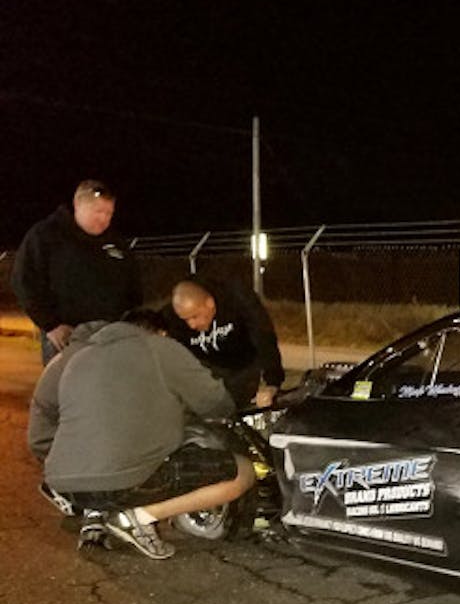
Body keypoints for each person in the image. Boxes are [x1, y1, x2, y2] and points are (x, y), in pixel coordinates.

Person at [28, 308, 255, 560]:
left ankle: (98, 513)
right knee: (243, 472)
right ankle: (138, 518)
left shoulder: (78, 359)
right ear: (161, 332)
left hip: (67, 487)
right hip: (120, 483)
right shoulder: (159, 349)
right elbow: (216, 403)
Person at [10, 180, 142, 364]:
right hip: (65, 338)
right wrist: (51, 325)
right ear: (78, 205)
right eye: (98, 212)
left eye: (109, 213)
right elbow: (24, 281)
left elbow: (134, 288)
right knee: (64, 389)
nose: (104, 219)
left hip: (109, 337)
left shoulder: (116, 244)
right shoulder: (46, 235)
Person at [166, 277, 285, 408]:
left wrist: (272, 382)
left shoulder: (237, 299)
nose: (191, 325)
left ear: (209, 303)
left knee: (241, 404)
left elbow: (264, 337)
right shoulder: (171, 316)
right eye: (185, 319)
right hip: (207, 368)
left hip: (243, 361)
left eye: (195, 316)